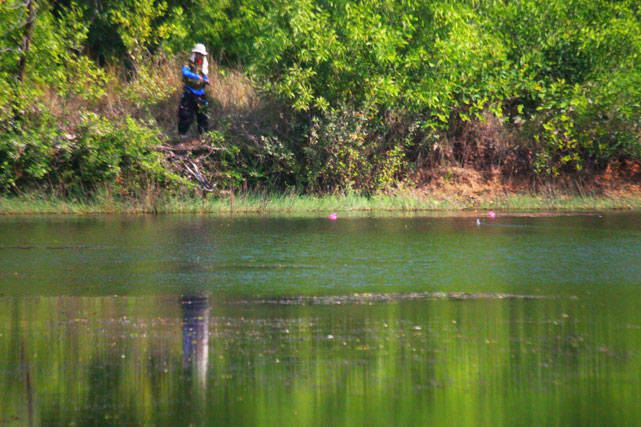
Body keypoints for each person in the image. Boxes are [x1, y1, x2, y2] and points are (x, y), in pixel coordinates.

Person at [178, 43, 210, 138]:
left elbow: (205, 76)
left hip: (201, 93)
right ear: (195, 53)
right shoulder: (188, 63)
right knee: (186, 114)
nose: (200, 56)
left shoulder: (203, 66)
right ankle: (182, 134)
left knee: (203, 115)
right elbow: (185, 72)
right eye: (199, 54)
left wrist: (206, 80)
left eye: (202, 54)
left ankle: (203, 135)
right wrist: (196, 76)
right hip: (189, 92)